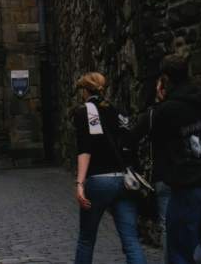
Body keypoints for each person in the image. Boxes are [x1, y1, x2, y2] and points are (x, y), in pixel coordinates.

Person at [128, 55, 201, 264]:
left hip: (185, 190)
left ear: (164, 80)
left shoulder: (164, 111)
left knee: (180, 253)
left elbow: (132, 137)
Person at [72, 72, 147, 264]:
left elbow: (85, 149)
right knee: (130, 240)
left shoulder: (85, 112)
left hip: (99, 180)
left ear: (84, 91)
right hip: (124, 181)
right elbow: (130, 142)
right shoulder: (118, 111)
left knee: (87, 239)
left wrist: (80, 183)